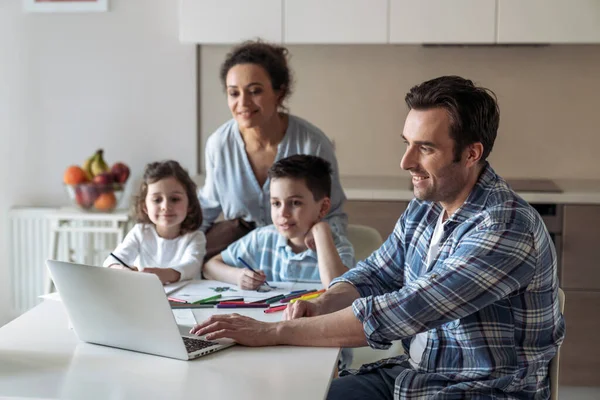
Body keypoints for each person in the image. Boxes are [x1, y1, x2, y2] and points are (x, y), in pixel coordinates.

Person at [190, 76, 566, 399]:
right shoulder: (428, 204)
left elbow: (404, 311)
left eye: (426, 148)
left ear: (471, 153)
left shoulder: (504, 228)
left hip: (479, 390)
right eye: (406, 142)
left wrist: (275, 332)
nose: (406, 162)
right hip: (413, 379)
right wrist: (325, 302)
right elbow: (376, 274)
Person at [199, 40, 347, 258]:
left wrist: (317, 237)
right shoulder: (219, 145)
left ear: (279, 93)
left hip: (300, 260)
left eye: (255, 91)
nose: (243, 103)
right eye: (234, 93)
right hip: (242, 266)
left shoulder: (312, 143)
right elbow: (206, 210)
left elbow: (334, 214)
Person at [202, 154, 355, 290]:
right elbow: (209, 268)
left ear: (323, 207)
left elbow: (338, 290)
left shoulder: (337, 247)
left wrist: (321, 230)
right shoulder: (263, 238)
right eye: (276, 203)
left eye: (295, 203)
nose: (283, 213)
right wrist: (237, 276)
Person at [103, 160, 206, 284]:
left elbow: (191, 266)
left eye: (175, 199)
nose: (166, 206)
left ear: (189, 204)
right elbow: (110, 262)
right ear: (145, 207)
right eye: (157, 200)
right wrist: (125, 271)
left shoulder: (195, 237)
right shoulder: (139, 233)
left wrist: (164, 274)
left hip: (187, 300)